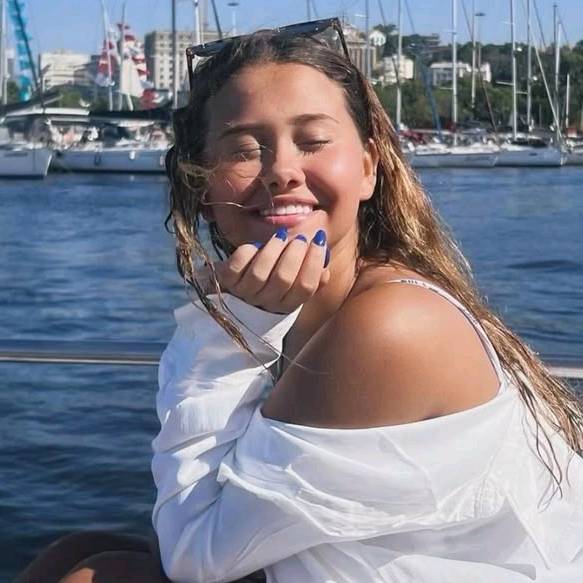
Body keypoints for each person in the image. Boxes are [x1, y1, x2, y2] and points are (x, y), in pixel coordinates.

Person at [16, 18, 583, 583]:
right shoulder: (307, 314)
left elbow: (193, 556)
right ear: (203, 189)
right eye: (244, 149)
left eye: (312, 141)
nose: (283, 171)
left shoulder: (392, 325)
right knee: (79, 552)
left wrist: (224, 334)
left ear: (367, 169)